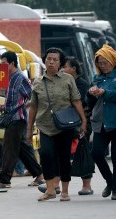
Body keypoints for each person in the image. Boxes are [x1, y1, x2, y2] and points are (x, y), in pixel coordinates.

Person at [27, 48, 87, 201]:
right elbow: (33, 106)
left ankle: (65, 191)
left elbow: (76, 100)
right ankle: (50, 189)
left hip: (64, 126)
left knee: (64, 157)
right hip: (45, 126)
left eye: (55, 60)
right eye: (48, 59)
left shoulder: (68, 79)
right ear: (45, 61)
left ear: (60, 63)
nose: (51, 62)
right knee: (46, 155)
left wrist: (83, 120)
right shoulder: (38, 81)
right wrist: (29, 129)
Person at [37, 56, 94, 196]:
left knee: (82, 153)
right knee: (58, 154)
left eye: (65, 67)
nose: (62, 69)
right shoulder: (53, 81)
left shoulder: (81, 84)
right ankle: (55, 185)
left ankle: (86, 185)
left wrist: (83, 122)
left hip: (79, 122)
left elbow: (80, 103)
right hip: (62, 123)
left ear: (73, 69)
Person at [0, 51, 44, 189]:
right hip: (13, 118)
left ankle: (4, 179)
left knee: (9, 149)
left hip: (18, 118)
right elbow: (15, 100)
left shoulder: (20, 78)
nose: (2, 66)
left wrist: (20, 106)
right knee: (22, 149)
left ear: (12, 63)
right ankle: (39, 175)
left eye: (4, 63)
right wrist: (5, 107)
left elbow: (33, 96)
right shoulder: (10, 78)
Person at [87, 44, 116, 201]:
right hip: (101, 122)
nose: (102, 65)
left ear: (112, 61)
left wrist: (105, 92)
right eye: (99, 62)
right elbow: (90, 100)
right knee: (96, 153)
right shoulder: (97, 78)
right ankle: (110, 181)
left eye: (105, 62)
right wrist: (91, 93)